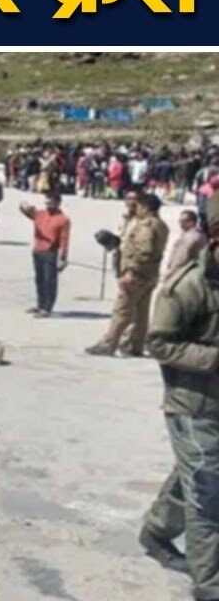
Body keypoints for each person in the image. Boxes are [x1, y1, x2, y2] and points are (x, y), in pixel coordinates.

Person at [139, 191, 219, 595]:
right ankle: (209, 583)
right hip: (192, 406)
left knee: (195, 477)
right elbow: (159, 343)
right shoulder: (187, 287)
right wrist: (214, 358)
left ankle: (156, 532)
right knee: (209, 492)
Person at [88, 193, 170, 357]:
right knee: (141, 313)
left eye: (139, 206)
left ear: (146, 208)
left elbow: (144, 251)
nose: (136, 209)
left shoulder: (146, 226)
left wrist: (131, 270)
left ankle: (108, 345)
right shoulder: (161, 225)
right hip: (151, 274)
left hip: (137, 274)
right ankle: (135, 345)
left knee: (122, 311)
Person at [20, 192, 70, 318]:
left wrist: (63, 258)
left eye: (50, 202)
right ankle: (40, 304)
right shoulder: (40, 214)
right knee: (39, 280)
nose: (48, 205)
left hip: (50, 253)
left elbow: (64, 240)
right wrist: (23, 205)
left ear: (58, 203)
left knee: (49, 281)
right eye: (46, 202)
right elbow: (26, 211)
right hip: (37, 251)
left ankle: (47, 308)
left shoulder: (63, 220)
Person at [167, 209, 207, 276]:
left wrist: (170, 274)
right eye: (180, 221)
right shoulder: (195, 234)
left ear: (192, 222)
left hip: (183, 273)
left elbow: (180, 259)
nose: (181, 224)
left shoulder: (191, 237)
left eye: (184, 221)